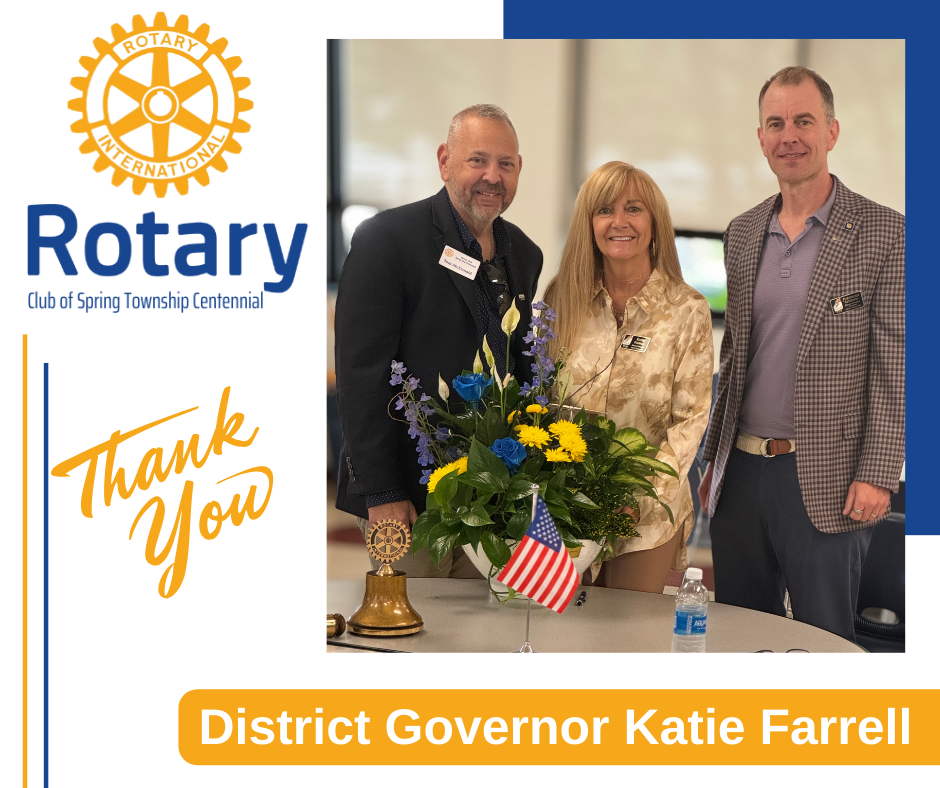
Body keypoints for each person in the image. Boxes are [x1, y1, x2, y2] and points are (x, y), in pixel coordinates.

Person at [698, 67, 905, 641]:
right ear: (760, 138)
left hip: (827, 476)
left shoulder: (885, 233)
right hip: (740, 474)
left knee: (823, 645)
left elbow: (898, 366)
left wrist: (877, 474)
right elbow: (735, 357)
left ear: (832, 132)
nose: (790, 136)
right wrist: (713, 462)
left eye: (804, 121)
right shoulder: (741, 233)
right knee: (740, 637)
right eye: (776, 124)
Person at [334, 104, 543, 577]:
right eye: (478, 160)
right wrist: (383, 493)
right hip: (409, 495)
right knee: (413, 635)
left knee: (480, 640)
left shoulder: (525, 255)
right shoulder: (387, 240)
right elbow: (362, 375)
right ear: (445, 161)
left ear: (519, 170)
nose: (493, 176)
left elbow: (522, 369)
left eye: (505, 164)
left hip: (493, 498)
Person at [545, 161, 714, 592]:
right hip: (568, 504)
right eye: (605, 210)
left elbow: (689, 422)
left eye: (634, 209)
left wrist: (638, 497)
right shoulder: (560, 297)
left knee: (629, 639)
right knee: (563, 637)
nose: (619, 222)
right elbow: (541, 403)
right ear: (589, 223)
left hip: (647, 514)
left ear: (655, 222)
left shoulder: (687, 309)